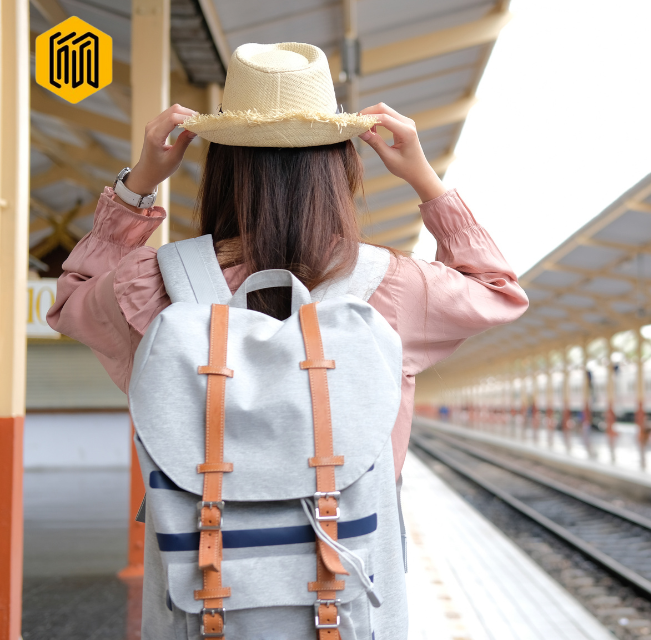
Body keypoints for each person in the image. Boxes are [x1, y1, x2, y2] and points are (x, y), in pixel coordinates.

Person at [48, 41, 528, 638]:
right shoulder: (390, 287)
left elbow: (69, 301)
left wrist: (138, 185)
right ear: (342, 168)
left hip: (200, 602)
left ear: (220, 169)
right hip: (351, 597)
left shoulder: (154, 284)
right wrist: (426, 181)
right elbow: (498, 292)